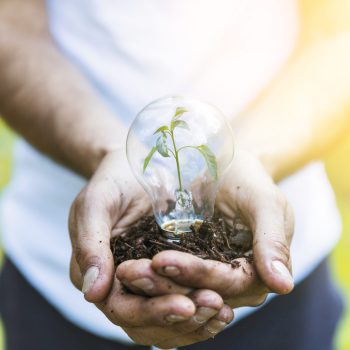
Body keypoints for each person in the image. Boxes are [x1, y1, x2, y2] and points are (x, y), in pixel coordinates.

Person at [0, 0, 349, 349]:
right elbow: (9, 29)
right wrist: (105, 152)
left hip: (278, 274)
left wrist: (251, 159)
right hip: (53, 273)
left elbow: (338, 33)